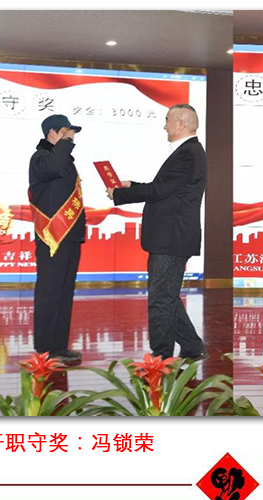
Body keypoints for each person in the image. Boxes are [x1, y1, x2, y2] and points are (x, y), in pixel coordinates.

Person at [108, 104, 207, 361]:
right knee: (167, 296)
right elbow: (165, 188)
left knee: (161, 298)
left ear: (181, 123)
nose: (164, 126)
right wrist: (132, 186)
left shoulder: (188, 154)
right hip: (172, 237)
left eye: (167, 120)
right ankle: (192, 346)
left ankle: (161, 357)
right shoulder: (188, 152)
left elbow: (159, 191)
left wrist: (121, 194)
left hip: (171, 238)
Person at [28, 114, 86, 363]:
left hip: (70, 235)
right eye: (65, 132)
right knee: (50, 291)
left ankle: (59, 345)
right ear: (51, 133)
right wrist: (64, 144)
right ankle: (44, 347)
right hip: (52, 236)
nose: (70, 137)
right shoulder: (40, 158)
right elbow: (53, 168)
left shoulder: (63, 159)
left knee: (64, 291)